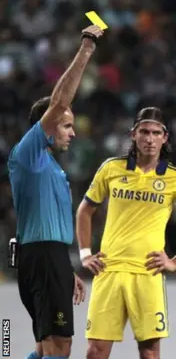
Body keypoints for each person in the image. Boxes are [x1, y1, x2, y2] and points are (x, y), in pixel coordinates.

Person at [75, 107, 176, 359]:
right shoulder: (111, 169)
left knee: (149, 352)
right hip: (109, 270)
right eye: (144, 132)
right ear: (133, 134)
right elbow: (84, 211)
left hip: (147, 273)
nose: (150, 138)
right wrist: (85, 254)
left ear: (165, 137)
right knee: (96, 351)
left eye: (156, 133)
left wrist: (175, 262)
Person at [7, 25, 104, 359]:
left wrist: (66, 267)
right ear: (45, 127)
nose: (72, 133)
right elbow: (61, 99)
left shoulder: (49, 167)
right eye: (66, 125)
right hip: (43, 259)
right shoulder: (28, 155)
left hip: (49, 258)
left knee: (45, 346)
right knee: (59, 347)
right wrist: (87, 47)